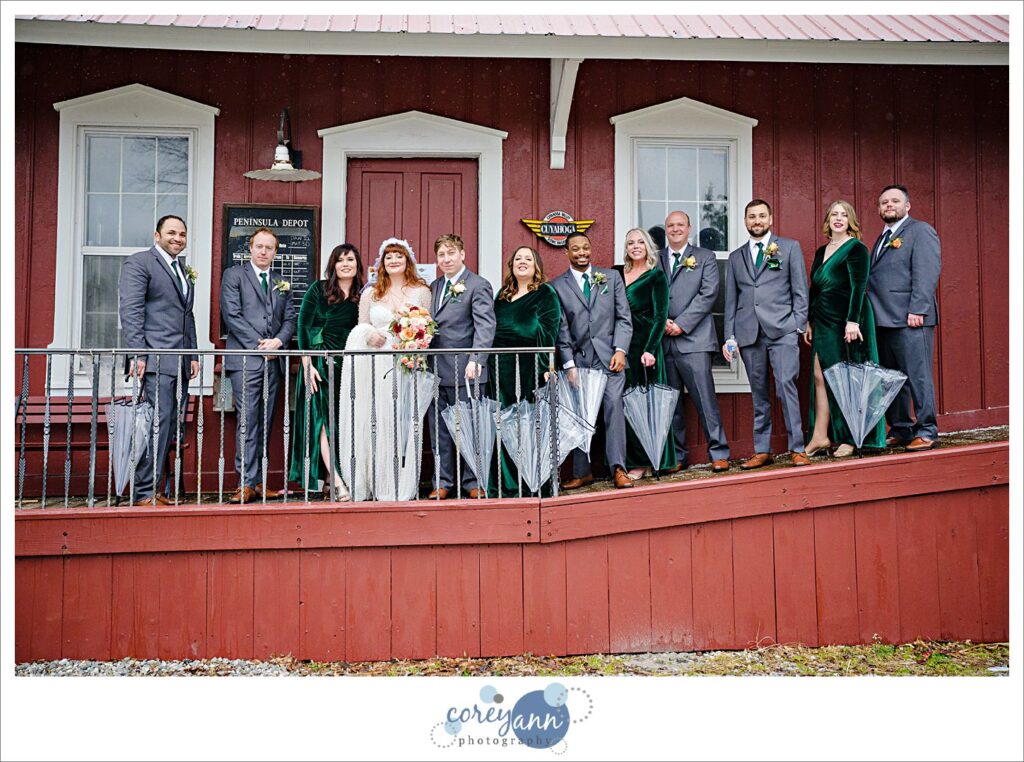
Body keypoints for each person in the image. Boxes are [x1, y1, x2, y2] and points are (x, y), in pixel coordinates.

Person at [338, 238, 433, 502]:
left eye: (398, 256)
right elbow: (361, 326)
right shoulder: (371, 293)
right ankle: (372, 481)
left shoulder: (421, 291)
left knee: (401, 421)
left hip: (405, 364)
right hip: (376, 363)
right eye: (388, 256)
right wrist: (368, 335)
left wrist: (415, 350)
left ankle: (399, 484)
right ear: (382, 262)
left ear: (407, 261)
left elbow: (428, 329)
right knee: (375, 419)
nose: (393, 260)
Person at [722, 199, 811, 469]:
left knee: (786, 387)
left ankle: (797, 448)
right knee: (759, 394)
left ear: (770, 219)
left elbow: (800, 291)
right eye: (751, 217)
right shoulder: (736, 257)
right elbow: (731, 300)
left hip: (782, 330)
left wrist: (797, 324)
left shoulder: (788, 247)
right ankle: (762, 449)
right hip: (749, 334)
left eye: (761, 216)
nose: (756, 221)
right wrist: (730, 335)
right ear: (745, 221)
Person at [118, 214, 199, 506]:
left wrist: (193, 352)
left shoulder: (181, 269)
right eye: (171, 233)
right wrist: (139, 353)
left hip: (179, 360)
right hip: (155, 359)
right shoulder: (140, 263)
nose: (178, 238)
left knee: (168, 425)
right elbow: (131, 311)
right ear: (157, 235)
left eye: (182, 234)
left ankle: (157, 489)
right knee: (155, 424)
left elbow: (186, 315)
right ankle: (143, 492)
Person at [550, 231, 634, 490]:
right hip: (580, 362)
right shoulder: (557, 286)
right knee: (580, 416)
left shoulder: (610, 277)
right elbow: (561, 329)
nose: (582, 252)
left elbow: (623, 317)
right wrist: (569, 365)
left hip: (610, 360)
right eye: (575, 249)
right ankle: (581, 471)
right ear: (567, 253)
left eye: (585, 247)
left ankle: (618, 468)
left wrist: (621, 350)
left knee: (614, 410)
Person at [220, 227, 297, 503]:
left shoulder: (280, 281)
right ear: (250, 248)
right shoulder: (234, 275)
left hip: (274, 362)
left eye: (269, 248)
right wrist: (259, 344)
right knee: (247, 420)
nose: (264, 251)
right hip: (246, 361)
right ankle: (244, 483)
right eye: (259, 246)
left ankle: (259, 481)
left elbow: (290, 320)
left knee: (265, 422)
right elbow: (232, 315)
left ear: (275, 252)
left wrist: (277, 341)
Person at [804, 201, 885, 457]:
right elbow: (814, 289)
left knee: (848, 378)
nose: (839, 218)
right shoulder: (822, 250)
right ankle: (820, 436)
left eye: (844, 215)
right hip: (823, 320)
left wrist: (853, 321)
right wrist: (809, 319)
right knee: (820, 375)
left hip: (849, 319)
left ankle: (852, 437)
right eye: (834, 214)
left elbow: (859, 286)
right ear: (828, 220)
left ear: (851, 220)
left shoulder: (857, 248)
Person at [866, 184, 942, 452]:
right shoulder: (881, 238)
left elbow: (927, 272)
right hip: (883, 321)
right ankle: (901, 428)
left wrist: (918, 310)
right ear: (878, 209)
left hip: (911, 318)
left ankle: (927, 430)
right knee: (892, 378)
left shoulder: (920, 231)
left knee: (917, 376)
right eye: (884, 201)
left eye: (895, 201)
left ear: (907, 206)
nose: (889, 205)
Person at [658, 212, 731, 475]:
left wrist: (682, 323)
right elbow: (652, 293)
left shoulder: (704, 257)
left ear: (689, 228)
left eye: (680, 225)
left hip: (695, 340)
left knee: (705, 400)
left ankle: (719, 453)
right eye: (670, 225)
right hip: (664, 341)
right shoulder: (656, 258)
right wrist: (663, 322)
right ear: (666, 230)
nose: (675, 229)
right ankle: (678, 456)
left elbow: (708, 293)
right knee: (672, 404)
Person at [289, 244, 363, 500]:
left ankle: (331, 478)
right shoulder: (318, 289)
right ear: (333, 265)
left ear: (357, 264)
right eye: (340, 260)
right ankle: (339, 482)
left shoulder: (360, 296)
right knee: (322, 422)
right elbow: (303, 326)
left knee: (340, 424)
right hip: (319, 364)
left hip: (347, 368)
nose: (345, 264)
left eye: (350, 259)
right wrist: (307, 364)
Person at [427, 233, 497, 500]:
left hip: (466, 371)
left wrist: (476, 360)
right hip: (435, 370)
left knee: (470, 427)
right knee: (439, 431)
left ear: (463, 254)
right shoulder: (434, 286)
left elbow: (485, 325)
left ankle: (474, 481)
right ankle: (442, 481)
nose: (446, 259)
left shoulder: (478, 285)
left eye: (451, 253)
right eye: (441, 255)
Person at [489, 245, 562, 495]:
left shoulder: (546, 293)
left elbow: (550, 331)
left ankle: (533, 480)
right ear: (511, 265)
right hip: (502, 367)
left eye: (528, 258)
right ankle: (507, 482)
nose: (522, 262)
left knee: (530, 423)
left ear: (536, 266)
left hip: (531, 366)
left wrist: (546, 365)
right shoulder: (502, 294)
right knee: (504, 421)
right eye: (518, 258)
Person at [620, 227, 675, 479]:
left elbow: (660, 316)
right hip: (622, 346)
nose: (635, 246)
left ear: (648, 246)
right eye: (631, 242)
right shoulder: (615, 273)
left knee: (648, 405)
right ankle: (633, 459)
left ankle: (650, 460)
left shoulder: (656, 277)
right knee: (627, 405)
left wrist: (650, 349)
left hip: (645, 347)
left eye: (640, 242)